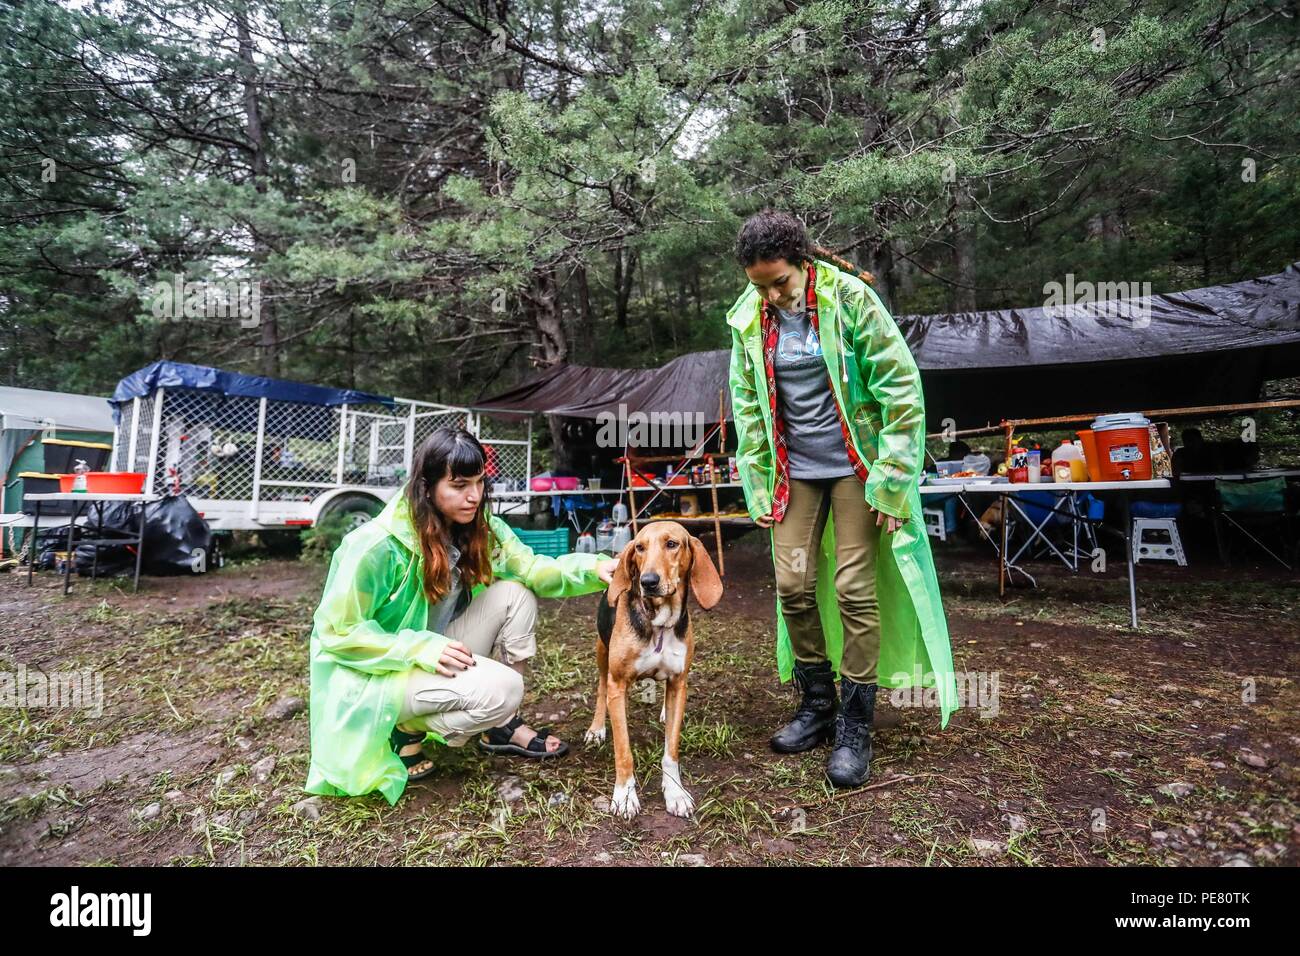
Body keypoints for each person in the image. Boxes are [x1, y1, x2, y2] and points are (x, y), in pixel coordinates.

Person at [725, 209, 958, 787]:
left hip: (856, 465)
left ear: (803, 262)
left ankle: (856, 724)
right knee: (792, 584)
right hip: (795, 472)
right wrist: (758, 481)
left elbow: (900, 387)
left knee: (855, 585)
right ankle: (817, 704)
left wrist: (893, 478)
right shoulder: (751, 320)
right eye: (761, 286)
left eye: (780, 281)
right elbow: (749, 405)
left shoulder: (850, 300)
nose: (773, 295)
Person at [304, 426, 617, 805]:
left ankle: (499, 727)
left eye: (480, 483)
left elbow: (532, 569)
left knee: (516, 594)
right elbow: (339, 632)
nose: (474, 496)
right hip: (375, 675)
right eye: (459, 485)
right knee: (503, 690)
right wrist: (419, 648)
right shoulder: (375, 546)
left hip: (431, 653)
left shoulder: (479, 530)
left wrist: (594, 568)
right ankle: (404, 727)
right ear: (427, 486)